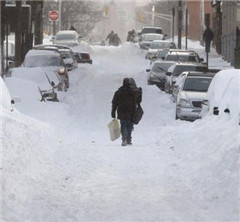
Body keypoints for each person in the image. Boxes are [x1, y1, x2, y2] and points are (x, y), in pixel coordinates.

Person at [111, 78, 142, 146]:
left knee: (123, 125)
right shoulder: (134, 91)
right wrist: (140, 92)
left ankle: (124, 138)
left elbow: (114, 102)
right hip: (131, 111)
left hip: (121, 111)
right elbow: (139, 101)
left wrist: (113, 111)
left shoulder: (119, 91)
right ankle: (128, 139)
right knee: (130, 125)